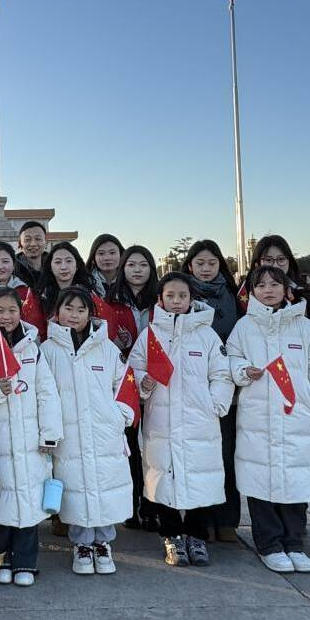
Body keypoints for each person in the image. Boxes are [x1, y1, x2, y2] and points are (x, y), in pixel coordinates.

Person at [228, 265, 310, 574]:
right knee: (262, 480)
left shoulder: (304, 327)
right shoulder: (244, 327)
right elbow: (231, 358)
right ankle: (269, 543)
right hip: (259, 415)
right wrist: (243, 371)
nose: (268, 290)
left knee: (296, 479)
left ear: (286, 289)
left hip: (298, 416)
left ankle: (294, 541)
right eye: (261, 286)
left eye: (275, 284)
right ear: (252, 292)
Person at [128, 273, 233, 568]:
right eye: (170, 296)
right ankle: (172, 534)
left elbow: (221, 373)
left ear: (191, 299)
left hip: (200, 421)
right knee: (163, 475)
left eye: (182, 296)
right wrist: (144, 385)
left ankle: (197, 535)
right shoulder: (149, 335)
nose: (176, 301)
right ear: (160, 299)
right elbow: (134, 371)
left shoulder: (206, 334)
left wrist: (216, 404)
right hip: (161, 420)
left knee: (199, 476)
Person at [0, 286, 63, 587]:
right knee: (0, 502)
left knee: (30, 503)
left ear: (21, 312)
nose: (6, 317)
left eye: (12, 310)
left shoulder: (32, 347)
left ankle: (26, 561)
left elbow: (47, 392)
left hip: (30, 439)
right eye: (0, 310)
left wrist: (50, 434)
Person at [41, 287, 132, 575]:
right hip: (69, 435)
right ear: (58, 312)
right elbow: (42, 391)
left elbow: (124, 384)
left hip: (104, 431)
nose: (74, 315)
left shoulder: (106, 348)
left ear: (90, 314)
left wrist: (120, 416)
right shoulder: (47, 349)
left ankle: (104, 543)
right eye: (69, 309)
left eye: (81, 310)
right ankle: (81, 544)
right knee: (76, 489)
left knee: (105, 487)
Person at [181, 240, 243, 543]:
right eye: (200, 263)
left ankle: (227, 519)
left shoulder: (234, 297)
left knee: (226, 453)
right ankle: (202, 520)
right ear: (189, 265)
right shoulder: (181, 296)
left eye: (212, 263)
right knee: (200, 456)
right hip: (191, 386)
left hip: (226, 383)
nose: (206, 269)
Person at [106, 245, 159, 532]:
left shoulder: (162, 302)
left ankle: (151, 506)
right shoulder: (110, 302)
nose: (137, 270)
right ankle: (131, 505)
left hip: (157, 384)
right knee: (129, 449)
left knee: (154, 447)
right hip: (122, 383)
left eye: (143, 265)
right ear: (123, 269)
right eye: (131, 265)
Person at [34, 242, 116, 344]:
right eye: (58, 262)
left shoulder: (90, 296)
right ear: (50, 267)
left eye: (69, 261)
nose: (63, 267)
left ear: (77, 265)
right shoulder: (40, 297)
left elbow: (107, 326)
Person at [248, 234, 310, 324]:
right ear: (257, 264)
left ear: (289, 261)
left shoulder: (308, 296)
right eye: (268, 260)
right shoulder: (245, 295)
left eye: (281, 259)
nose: (275, 265)